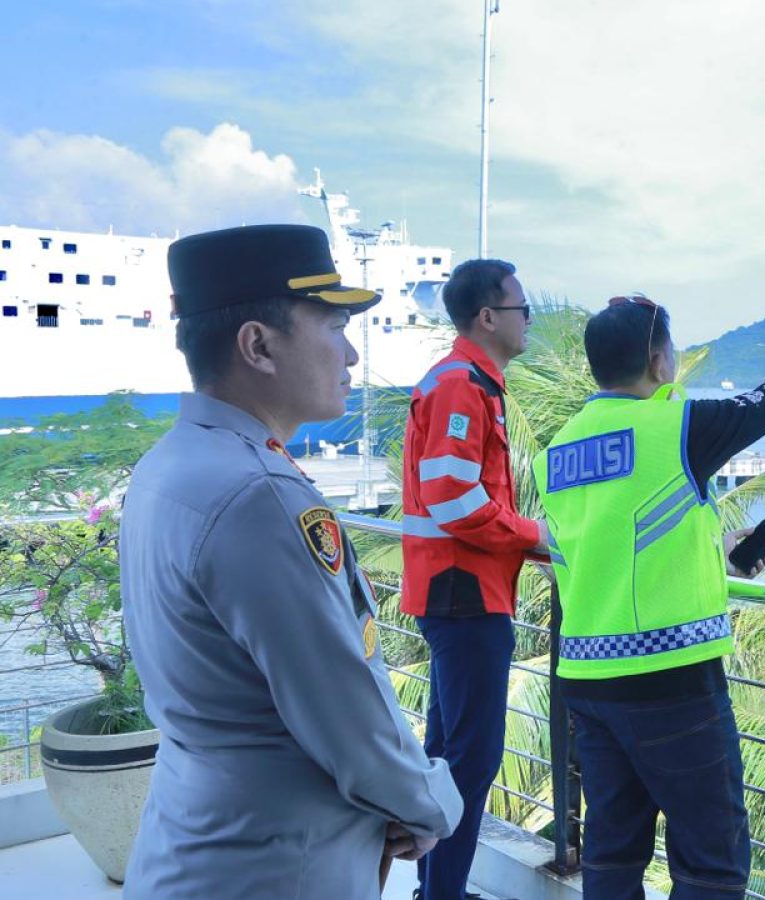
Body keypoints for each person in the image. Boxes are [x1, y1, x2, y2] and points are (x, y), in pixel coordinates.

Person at [120, 224, 463, 899]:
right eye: (334, 326)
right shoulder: (258, 496)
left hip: (199, 840)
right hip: (277, 865)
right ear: (258, 345)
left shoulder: (170, 466)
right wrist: (430, 807)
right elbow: (344, 709)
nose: (353, 356)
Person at [532, 294, 765, 898]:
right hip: (668, 682)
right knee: (710, 862)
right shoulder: (676, 427)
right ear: (657, 360)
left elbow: (614, 544)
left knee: (613, 852)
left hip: (587, 681)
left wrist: (719, 550)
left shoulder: (558, 452)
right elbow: (763, 404)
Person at [400, 258, 548, 900]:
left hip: (457, 592)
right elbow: (454, 497)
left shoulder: (468, 381)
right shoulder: (462, 384)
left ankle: (436, 885)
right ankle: (443, 895)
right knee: (471, 759)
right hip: (464, 594)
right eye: (521, 309)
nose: (528, 321)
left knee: (446, 752)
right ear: (488, 317)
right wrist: (534, 536)